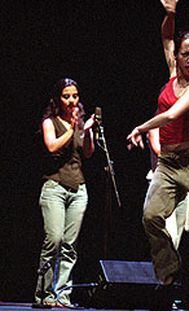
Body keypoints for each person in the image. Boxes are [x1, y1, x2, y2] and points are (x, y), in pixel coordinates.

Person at [127, 0, 189, 308]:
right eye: (184, 52)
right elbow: (166, 38)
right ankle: (170, 270)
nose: (188, 57)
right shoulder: (172, 71)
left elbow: (171, 116)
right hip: (169, 163)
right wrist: (170, 14)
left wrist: (141, 127)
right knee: (150, 216)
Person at [34, 78, 96, 307]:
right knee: (54, 239)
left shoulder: (79, 124)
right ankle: (43, 295)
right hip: (55, 188)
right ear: (58, 99)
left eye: (75, 96)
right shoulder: (50, 122)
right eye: (66, 96)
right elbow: (52, 146)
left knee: (70, 245)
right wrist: (71, 127)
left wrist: (88, 132)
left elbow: (88, 153)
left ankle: (62, 295)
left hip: (79, 189)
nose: (72, 101)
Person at [146, 127, 189, 250]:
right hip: (163, 187)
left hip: (182, 187)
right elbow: (161, 153)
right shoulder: (155, 129)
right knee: (168, 235)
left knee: (176, 238)